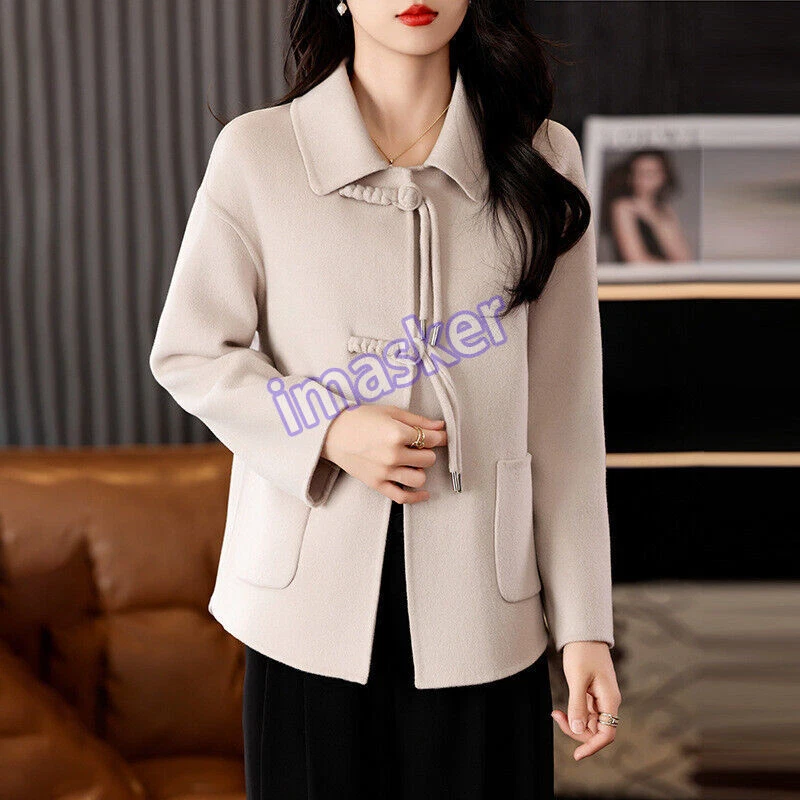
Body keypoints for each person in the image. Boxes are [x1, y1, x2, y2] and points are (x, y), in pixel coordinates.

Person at [149, 1, 623, 797]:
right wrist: (328, 430)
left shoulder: (543, 158)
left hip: (487, 618)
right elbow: (191, 353)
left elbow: (565, 420)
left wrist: (584, 629)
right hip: (306, 623)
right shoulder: (260, 154)